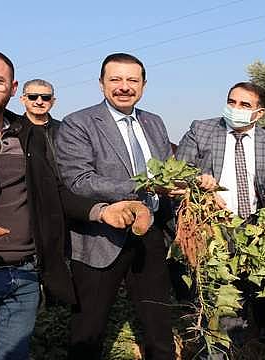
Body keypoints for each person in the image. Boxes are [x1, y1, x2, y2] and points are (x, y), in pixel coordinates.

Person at [0, 48, 149, 360]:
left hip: (24, 275)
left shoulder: (27, 134)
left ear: (12, 88)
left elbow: (54, 193)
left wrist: (102, 211)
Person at [55, 53, 177, 359]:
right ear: (101, 84)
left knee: (158, 323)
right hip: (100, 236)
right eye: (115, 79)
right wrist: (143, 186)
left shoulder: (154, 122)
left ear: (144, 85)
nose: (124, 87)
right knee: (88, 328)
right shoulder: (78, 123)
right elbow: (78, 180)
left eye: (132, 80)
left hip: (149, 232)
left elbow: (167, 170)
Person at [176, 81, 265, 342]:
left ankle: (257, 328)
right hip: (211, 223)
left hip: (253, 223)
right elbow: (179, 169)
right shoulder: (201, 130)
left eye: (244, 105)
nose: (235, 108)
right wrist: (199, 180)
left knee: (253, 279)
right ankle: (220, 340)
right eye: (232, 102)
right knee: (219, 283)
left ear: (259, 113)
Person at [19, 78, 60, 174]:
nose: (39, 102)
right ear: (23, 99)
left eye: (46, 97)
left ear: (53, 101)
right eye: (33, 97)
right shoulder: (14, 131)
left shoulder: (65, 130)